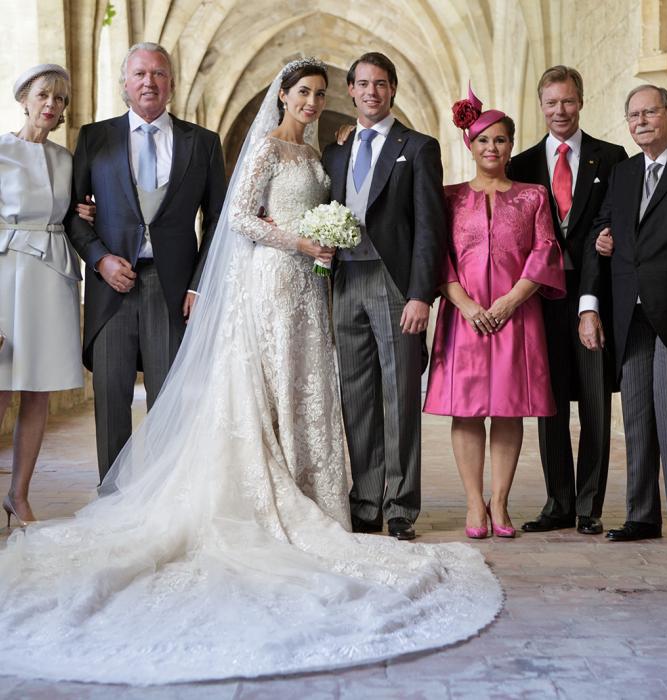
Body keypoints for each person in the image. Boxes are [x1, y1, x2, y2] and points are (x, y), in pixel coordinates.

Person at [0, 59, 502, 685]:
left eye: (320, 95)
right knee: (260, 392)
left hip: (309, 292)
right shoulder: (265, 146)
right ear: (283, 97)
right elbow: (237, 217)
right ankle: (257, 495)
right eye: (303, 93)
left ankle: (319, 493)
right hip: (270, 282)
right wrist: (300, 243)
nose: (312, 103)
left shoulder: (326, 154)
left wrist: (319, 244)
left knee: (306, 391)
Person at [67, 42, 226, 483]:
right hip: (110, 288)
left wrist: (199, 285)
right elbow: (72, 215)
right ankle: (111, 499)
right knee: (111, 398)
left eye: (158, 74)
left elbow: (217, 223)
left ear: (171, 84)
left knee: (170, 401)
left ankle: (164, 500)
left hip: (173, 289)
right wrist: (99, 261)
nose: (148, 82)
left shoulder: (204, 144)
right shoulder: (94, 138)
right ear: (124, 84)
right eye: (139, 74)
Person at [424, 86, 565, 539]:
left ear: (510, 145)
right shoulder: (448, 198)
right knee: (465, 411)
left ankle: (500, 503)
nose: (492, 148)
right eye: (484, 140)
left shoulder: (533, 196)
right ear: (471, 144)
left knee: (508, 410)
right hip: (463, 316)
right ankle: (473, 504)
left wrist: (507, 302)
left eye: (501, 140)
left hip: (515, 315)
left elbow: (545, 252)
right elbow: (436, 255)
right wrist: (464, 303)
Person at [322, 52, 447, 541]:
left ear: (393, 89)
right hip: (345, 282)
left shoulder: (418, 147)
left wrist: (421, 294)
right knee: (356, 395)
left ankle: (400, 505)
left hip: (394, 282)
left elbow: (429, 230)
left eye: (380, 83)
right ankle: (366, 499)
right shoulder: (336, 151)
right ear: (350, 90)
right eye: (362, 84)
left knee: (399, 397)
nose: (371, 92)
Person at [579, 84, 667, 547]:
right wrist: (603, 247)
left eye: (650, 112)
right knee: (637, 417)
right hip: (628, 313)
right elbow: (600, 231)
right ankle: (642, 515)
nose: (641, 121)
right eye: (633, 115)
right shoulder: (625, 173)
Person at [509, 66, 627, 535]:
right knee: (550, 402)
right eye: (552, 102)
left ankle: (588, 507)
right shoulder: (521, 165)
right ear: (541, 105)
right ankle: (558, 502)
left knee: (595, 401)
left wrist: (594, 292)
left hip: (591, 293)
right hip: (540, 298)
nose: (561, 111)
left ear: (581, 101)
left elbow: (613, 221)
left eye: (569, 101)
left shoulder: (612, 158)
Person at [0, 65, 83, 526]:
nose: (51, 104)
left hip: (51, 276)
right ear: (25, 99)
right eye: (43, 95)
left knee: (38, 392)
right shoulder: (0, 150)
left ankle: (19, 495)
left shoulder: (66, 159)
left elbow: (73, 214)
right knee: (0, 389)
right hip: (6, 273)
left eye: (60, 99)